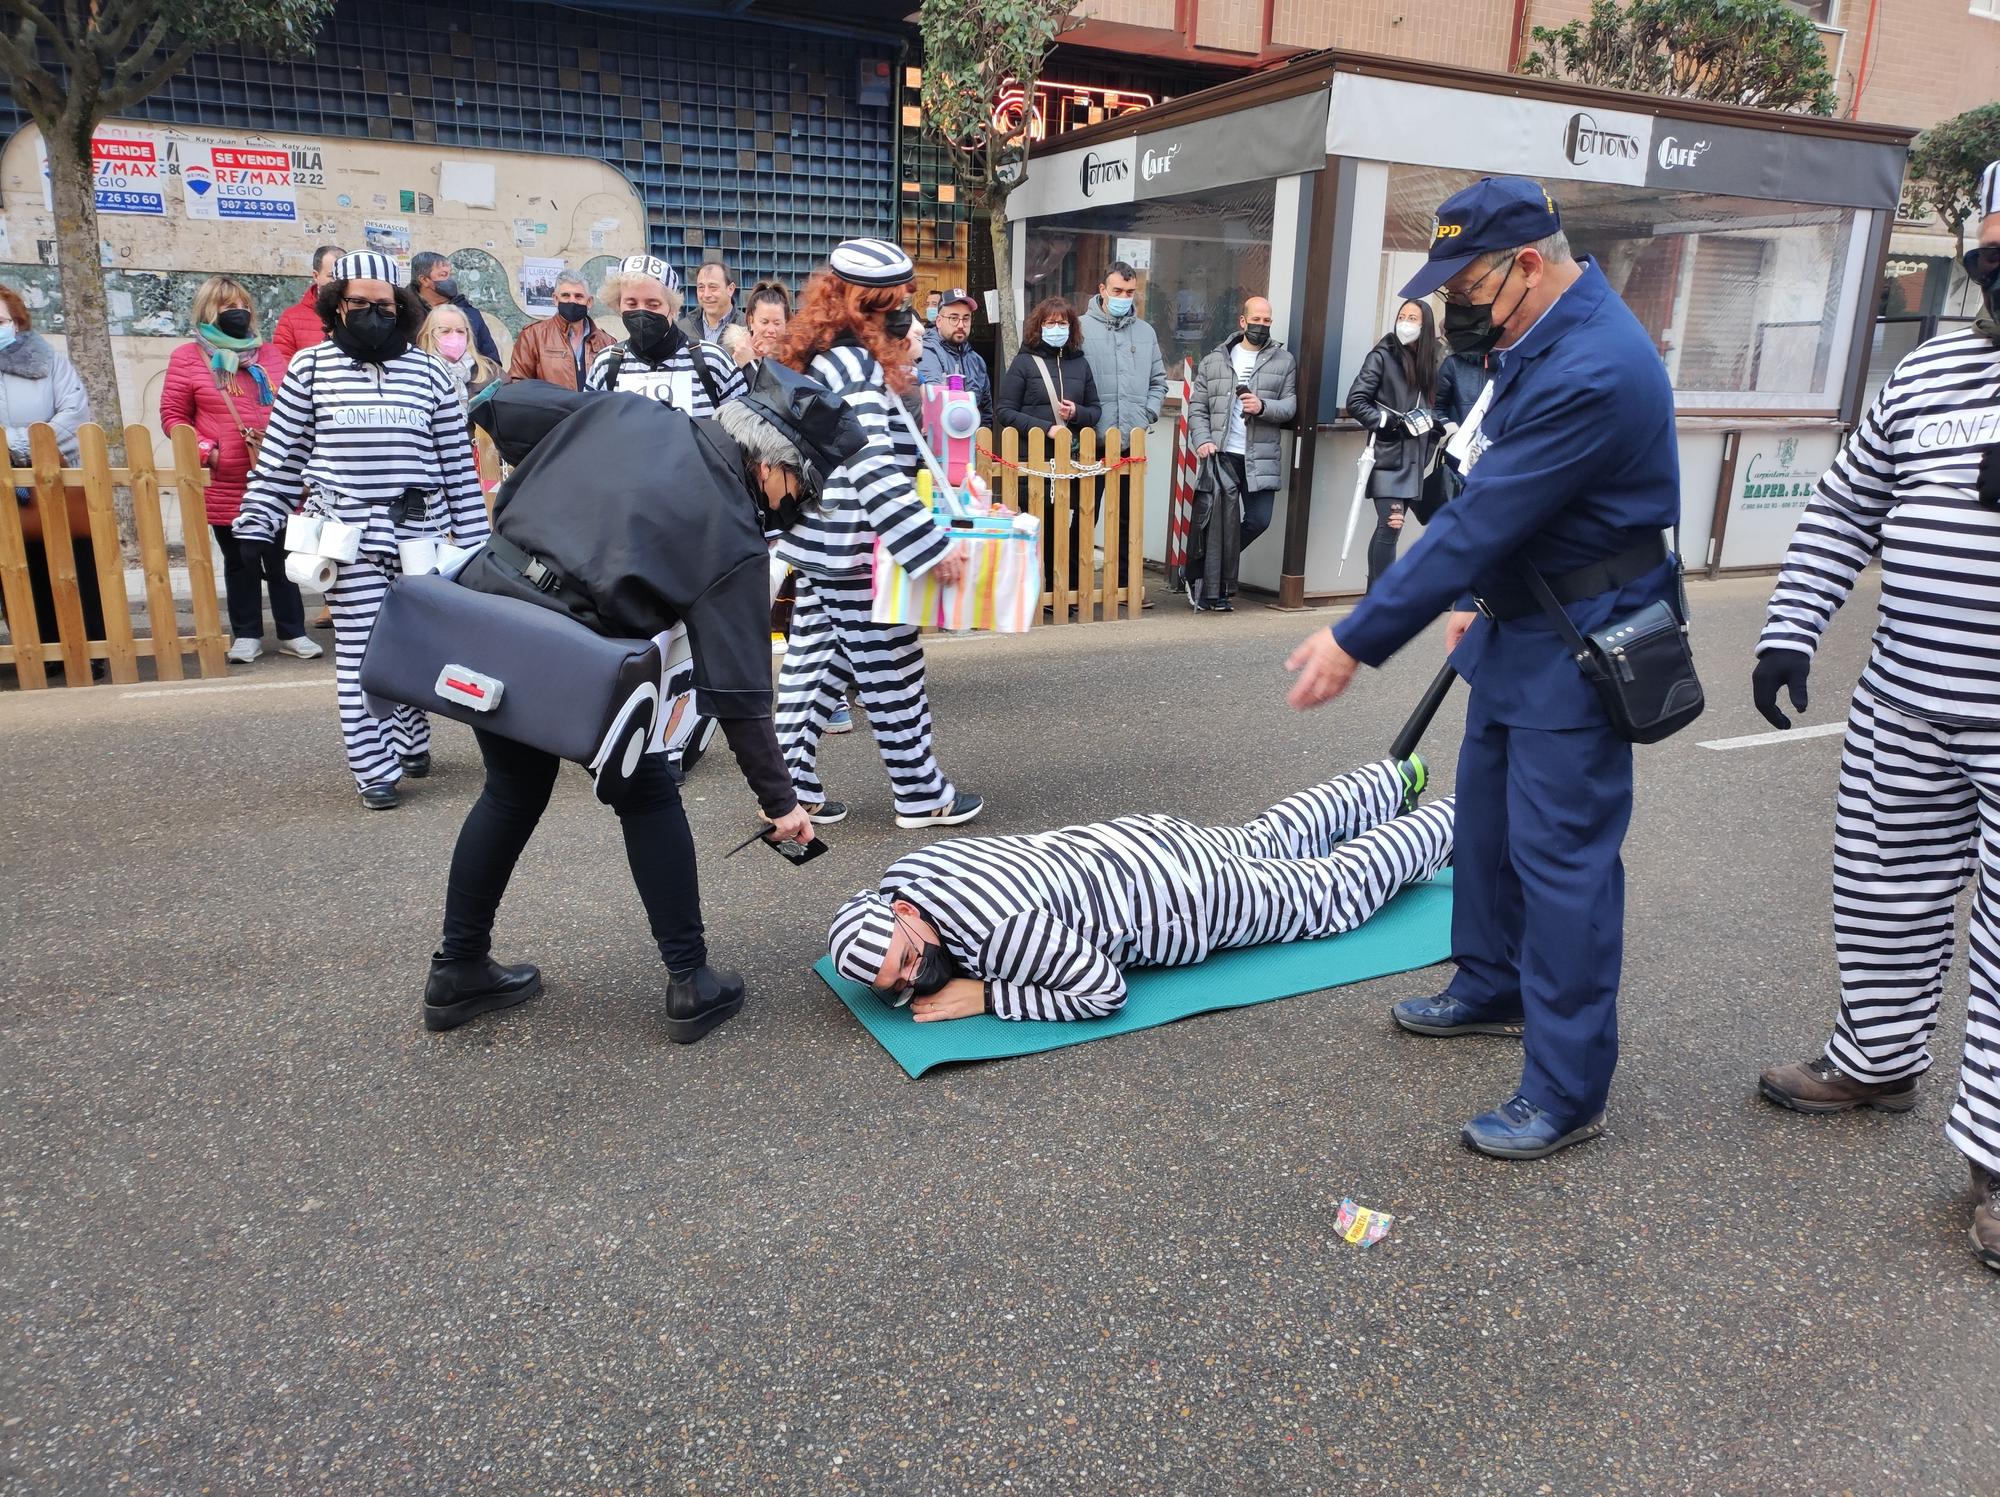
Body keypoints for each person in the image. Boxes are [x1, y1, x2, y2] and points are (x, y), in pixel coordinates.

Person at [1284, 177, 1683, 1162]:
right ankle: (1490, 982)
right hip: (1520, 622)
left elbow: (1481, 517)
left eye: (1466, 289)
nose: (1455, 308)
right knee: (1489, 823)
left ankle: (1564, 1090)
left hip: (1581, 635)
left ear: (1528, 267)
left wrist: (1355, 636)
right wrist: (1468, 603)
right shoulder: (1532, 338)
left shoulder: (1593, 364)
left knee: (1565, 868)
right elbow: (1485, 487)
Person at [428, 363, 864, 1042]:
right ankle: (691, 982)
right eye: (804, 485)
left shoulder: (629, 412)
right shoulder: (733, 533)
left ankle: (456, 968)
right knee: (648, 792)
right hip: (570, 651)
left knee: (511, 792)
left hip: (487, 611)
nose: (799, 503)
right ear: (774, 466)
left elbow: (507, 404)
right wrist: (781, 802)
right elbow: (742, 695)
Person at [1750, 160, 2000, 1275]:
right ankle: (1875, 1058)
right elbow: (1844, 508)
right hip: (1904, 700)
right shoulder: (1928, 372)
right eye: (1989, 245)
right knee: (1880, 893)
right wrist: (1786, 629)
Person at [827, 758, 1449, 1022]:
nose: (916, 979)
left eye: (909, 960)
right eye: (897, 985)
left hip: (1186, 898)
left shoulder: (1000, 933)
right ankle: (1389, 779)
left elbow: (1104, 990)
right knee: (1272, 834)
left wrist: (988, 995)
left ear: (904, 913)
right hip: (1138, 841)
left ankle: (1463, 815)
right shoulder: (903, 875)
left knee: (1331, 893)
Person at [231, 251, 490, 811]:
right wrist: (256, 523)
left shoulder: (431, 375)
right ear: (337, 305)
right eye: (360, 303)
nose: (373, 313)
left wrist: (474, 548)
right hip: (346, 539)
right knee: (360, 653)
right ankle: (373, 767)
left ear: (402, 307)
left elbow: (456, 470)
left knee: (417, 646)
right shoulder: (309, 369)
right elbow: (281, 459)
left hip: (422, 534)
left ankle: (410, 739)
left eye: (384, 304)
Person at [772, 236, 981, 830]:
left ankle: (789, 786)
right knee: (892, 668)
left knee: (815, 661)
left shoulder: (821, 351)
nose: (902, 314)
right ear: (862, 302)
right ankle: (921, 794)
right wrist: (927, 547)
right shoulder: (854, 364)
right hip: (852, 544)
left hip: (818, 540)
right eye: (891, 302)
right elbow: (872, 466)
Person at [159, 275, 318, 667]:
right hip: (228, 478)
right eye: (227, 307)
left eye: (242, 305)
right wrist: (206, 451)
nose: (238, 313)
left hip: (277, 475)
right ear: (208, 312)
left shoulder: (269, 356)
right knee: (239, 559)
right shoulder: (188, 358)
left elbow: (297, 408)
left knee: (283, 557)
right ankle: (246, 634)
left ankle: (293, 631)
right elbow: (173, 416)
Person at [0, 281, 102, 665]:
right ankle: (44, 652)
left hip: (56, 478)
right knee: (21, 572)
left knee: (73, 566)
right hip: (4, 490)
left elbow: (74, 413)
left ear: (18, 322)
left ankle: (91, 649)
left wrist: (19, 446)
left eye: (1, 319)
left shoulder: (49, 361)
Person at [998, 297, 1102, 596]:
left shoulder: (1080, 363)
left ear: (1072, 328)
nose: (1057, 328)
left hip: (1071, 464)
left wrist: (1076, 414)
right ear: (1038, 326)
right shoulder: (1024, 362)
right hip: (1033, 460)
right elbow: (1005, 411)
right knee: (1038, 527)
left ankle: (1063, 591)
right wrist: (1047, 428)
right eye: (1050, 323)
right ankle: (1034, 592)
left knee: (1067, 528)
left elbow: (1095, 409)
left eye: (1062, 323)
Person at [1189, 295, 1298, 561]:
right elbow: (1197, 407)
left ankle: (1207, 568)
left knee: (1259, 520)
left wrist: (1262, 406)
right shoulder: (1215, 360)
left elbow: (1290, 406)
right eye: (1256, 320)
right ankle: (1211, 582)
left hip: (1260, 457)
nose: (1261, 325)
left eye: (1267, 320)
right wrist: (1203, 440)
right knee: (1216, 524)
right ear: (1243, 321)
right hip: (1222, 455)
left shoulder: (1284, 361)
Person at [1082, 261, 1167, 599]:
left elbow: (1158, 382)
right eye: (1117, 291)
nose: (1123, 297)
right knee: (1084, 515)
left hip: (1131, 442)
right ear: (1102, 290)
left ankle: (1125, 586)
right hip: (1090, 441)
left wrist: (1146, 414)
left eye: (1130, 292)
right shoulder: (1080, 329)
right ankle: (1074, 586)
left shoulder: (1145, 333)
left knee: (1127, 520)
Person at [1346, 299, 1442, 591]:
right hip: (1387, 455)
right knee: (1391, 524)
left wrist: (1435, 427)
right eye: (1402, 316)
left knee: (1389, 531)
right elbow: (1356, 401)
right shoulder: (1382, 356)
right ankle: (1381, 599)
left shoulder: (1433, 360)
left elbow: (1437, 404)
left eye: (1413, 318)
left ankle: (1373, 599)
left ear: (1424, 325)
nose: (1406, 322)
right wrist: (1388, 424)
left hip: (1415, 457)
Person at [585, 255, 745, 417]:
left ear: (673, 308)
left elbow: (743, 432)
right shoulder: (605, 365)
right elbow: (591, 431)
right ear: (618, 304)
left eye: (653, 304)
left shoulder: (714, 360)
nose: (642, 312)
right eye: (631, 304)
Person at [505, 273, 614, 390]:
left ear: (589, 302)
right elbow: (518, 384)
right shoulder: (533, 336)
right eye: (566, 296)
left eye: (578, 296)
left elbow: (614, 388)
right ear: (556, 299)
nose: (572, 301)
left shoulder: (606, 342)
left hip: (593, 408)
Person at [914, 288, 992, 425]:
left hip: (972, 442)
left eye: (966, 318)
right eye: (954, 318)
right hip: (937, 442)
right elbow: (934, 401)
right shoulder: (927, 351)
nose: (961, 325)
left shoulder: (977, 361)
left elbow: (986, 412)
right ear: (939, 321)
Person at [409, 251, 500, 364]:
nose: (450, 280)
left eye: (450, 274)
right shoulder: (404, 314)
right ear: (424, 280)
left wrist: (474, 376)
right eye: (443, 275)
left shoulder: (470, 314)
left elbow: (492, 361)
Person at [418, 304, 502, 418]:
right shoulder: (418, 373)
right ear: (430, 335)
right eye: (445, 331)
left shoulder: (491, 372)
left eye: (460, 331)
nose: (454, 337)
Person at [273, 244, 342, 364]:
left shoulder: (360, 312)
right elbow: (282, 367)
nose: (339, 281)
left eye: (343, 275)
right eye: (332, 276)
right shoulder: (291, 318)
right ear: (316, 276)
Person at [677, 258, 746, 346]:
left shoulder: (747, 327)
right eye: (701, 287)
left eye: (713, 287)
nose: (706, 294)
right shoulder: (682, 329)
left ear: (730, 289)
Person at [742, 280, 792, 389]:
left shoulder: (796, 363)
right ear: (751, 321)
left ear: (786, 323)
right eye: (764, 322)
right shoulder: (736, 356)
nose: (771, 330)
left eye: (777, 323)